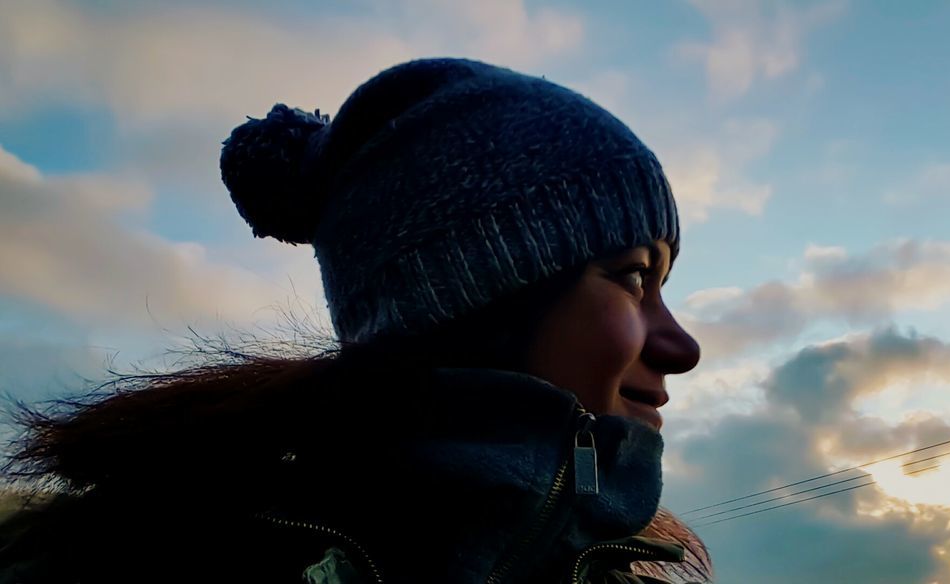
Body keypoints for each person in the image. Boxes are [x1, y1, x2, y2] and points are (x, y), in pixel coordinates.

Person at [0, 58, 714, 583]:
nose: (682, 346)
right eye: (633, 277)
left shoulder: (626, 572)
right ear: (473, 289)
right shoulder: (137, 565)